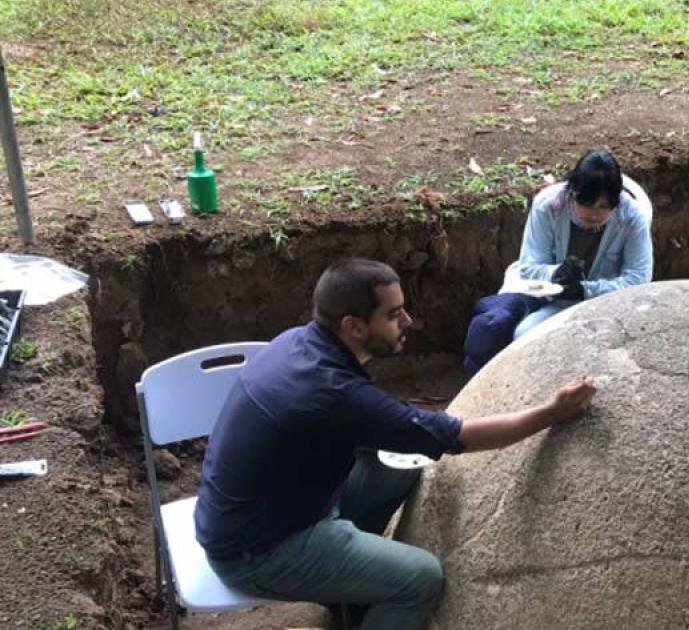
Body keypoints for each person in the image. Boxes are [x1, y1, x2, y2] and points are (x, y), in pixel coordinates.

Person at [195, 258, 596, 630]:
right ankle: (358, 592)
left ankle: (348, 592)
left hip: (262, 511)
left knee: (396, 467)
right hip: (258, 551)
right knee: (421, 579)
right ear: (353, 326)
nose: (408, 321)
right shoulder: (335, 393)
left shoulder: (295, 342)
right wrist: (551, 413)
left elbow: (385, 428)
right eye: (393, 315)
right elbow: (458, 436)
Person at [511, 149, 653, 339]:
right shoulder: (547, 207)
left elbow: (638, 279)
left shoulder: (632, 218)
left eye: (604, 206)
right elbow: (529, 265)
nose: (594, 214)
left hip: (610, 305)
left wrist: (586, 290)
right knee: (524, 334)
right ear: (572, 192)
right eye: (586, 204)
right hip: (555, 303)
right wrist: (555, 274)